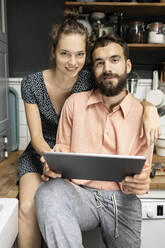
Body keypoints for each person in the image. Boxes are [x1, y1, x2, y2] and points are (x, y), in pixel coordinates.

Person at [18, 13, 159, 248]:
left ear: (127, 65)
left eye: (114, 60)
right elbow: (43, 141)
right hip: (65, 178)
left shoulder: (141, 115)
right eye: (100, 63)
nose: (107, 69)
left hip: (120, 198)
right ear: (54, 52)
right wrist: (53, 164)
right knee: (39, 198)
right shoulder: (64, 97)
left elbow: (142, 171)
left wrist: (149, 107)